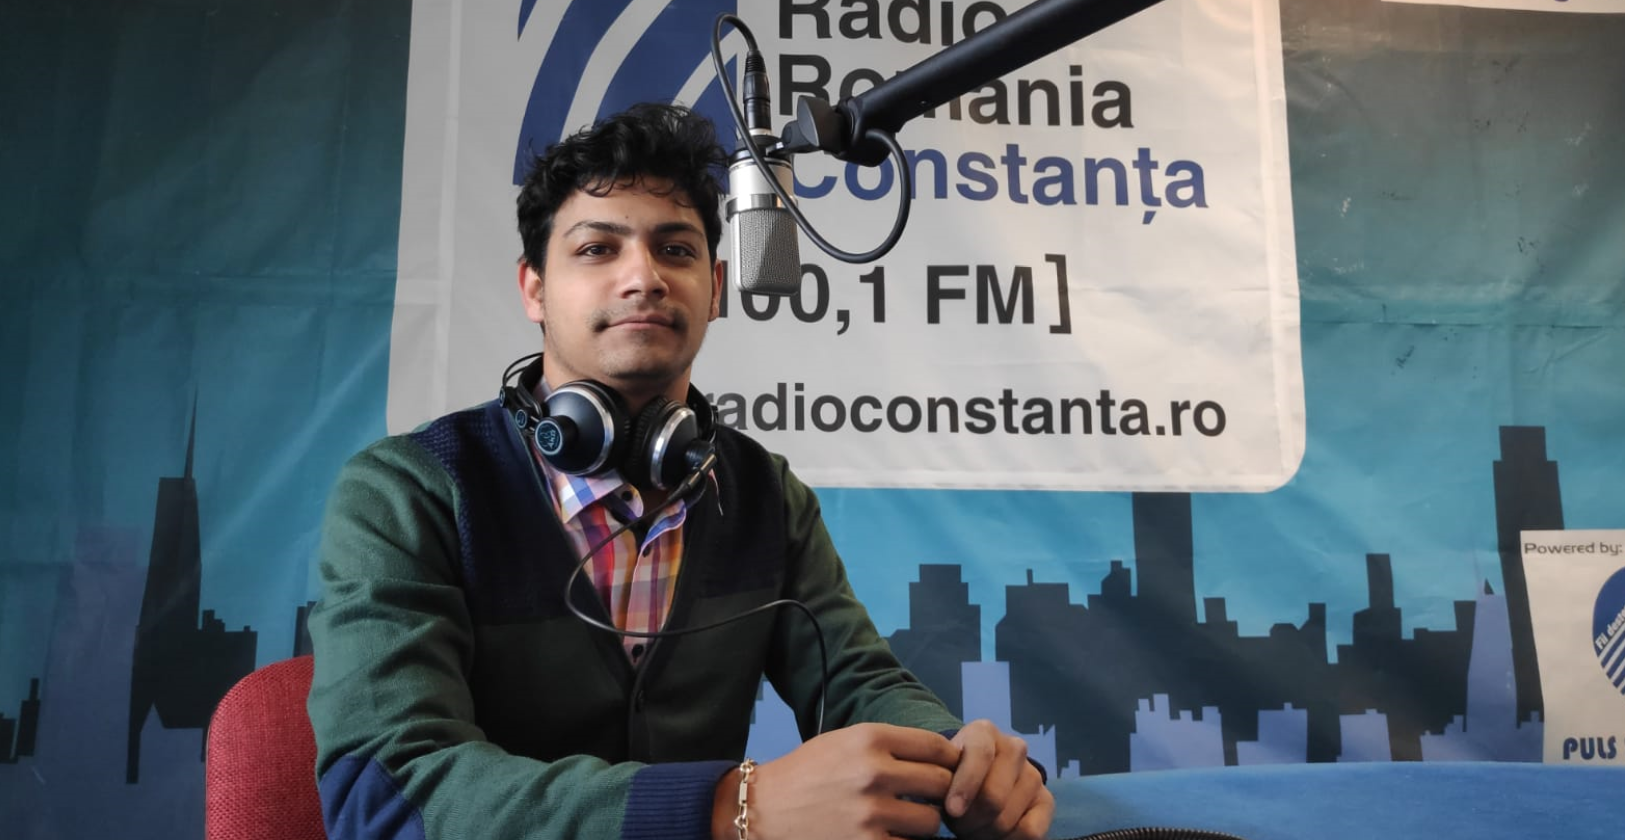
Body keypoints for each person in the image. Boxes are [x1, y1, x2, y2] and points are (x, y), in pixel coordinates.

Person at [306, 102, 1053, 840]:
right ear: (533, 288)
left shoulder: (764, 493)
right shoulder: (406, 491)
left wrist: (958, 759)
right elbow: (384, 792)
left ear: (716, 287)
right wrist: (731, 807)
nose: (644, 277)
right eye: (597, 249)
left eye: (675, 249)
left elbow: (857, 681)